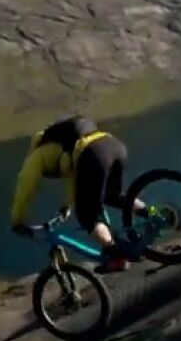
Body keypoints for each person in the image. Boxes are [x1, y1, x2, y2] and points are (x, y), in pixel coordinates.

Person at [10, 115, 145, 273]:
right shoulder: (65, 144)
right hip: (113, 145)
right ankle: (151, 213)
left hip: (93, 153)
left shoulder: (36, 157)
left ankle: (116, 256)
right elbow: (74, 178)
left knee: (87, 215)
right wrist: (66, 207)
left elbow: (26, 188)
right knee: (111, 196)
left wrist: (17, 220)